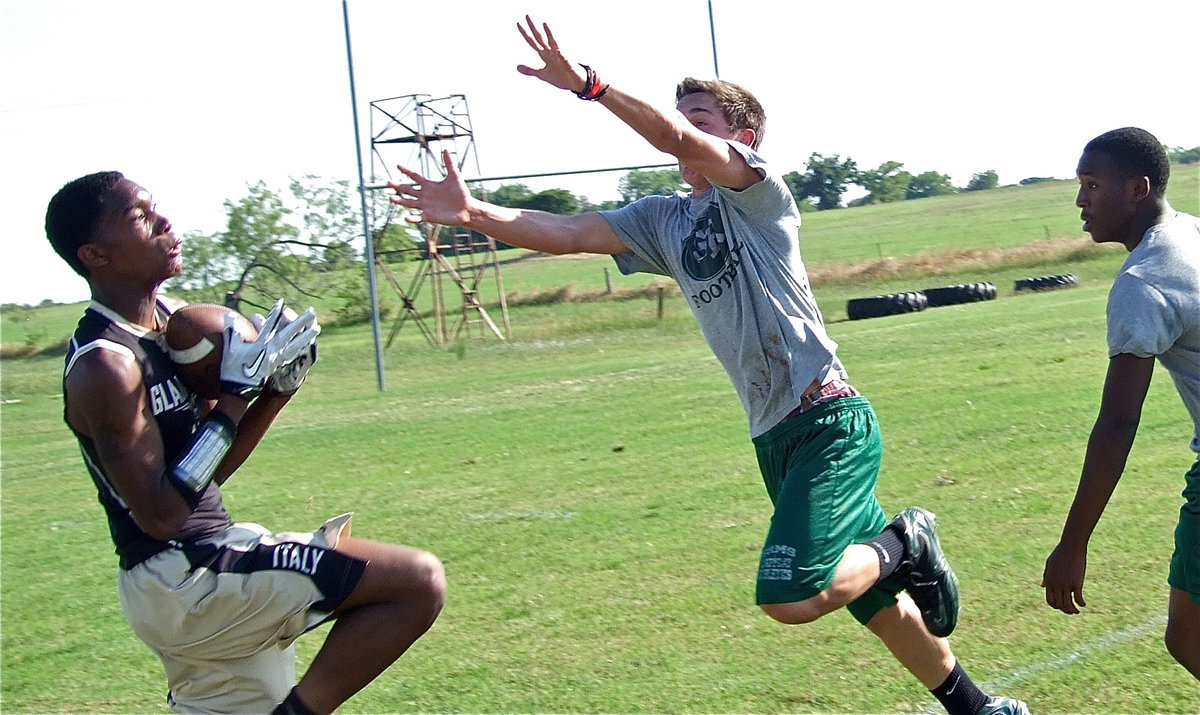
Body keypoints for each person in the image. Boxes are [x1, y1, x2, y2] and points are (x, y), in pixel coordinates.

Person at [389, 16, 1028, 714]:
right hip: (774, 436)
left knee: (791, 594)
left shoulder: (757, 190)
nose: (680, 127)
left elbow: (674, 138)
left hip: (827, 417)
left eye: (698, 116)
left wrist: (589, 85)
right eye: (683, 113)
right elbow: (569, 232)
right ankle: (975, 703)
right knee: (872, 601)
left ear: (741, 139)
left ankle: (906, 538)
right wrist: (474, 211)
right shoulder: (664, 219)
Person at [45, 171, 446, 714]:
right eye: (140, 217)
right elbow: (161, 516)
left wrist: (273, 394)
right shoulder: (104, 365)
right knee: (416, 582)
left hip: (195, 570)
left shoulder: (172, 329)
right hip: (183, 578)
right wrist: (235, 398)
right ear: (95, 254)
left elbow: (204, 469)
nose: (165, 222)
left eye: (156, 207)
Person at [1042, 127, 1200, 679]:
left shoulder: (1144, 280)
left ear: (1138, 189)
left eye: (1091, 184)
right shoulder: (1192, 234)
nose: (1081, 200)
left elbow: (1117, 424)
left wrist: (1072, 544)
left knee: (1189, 636)